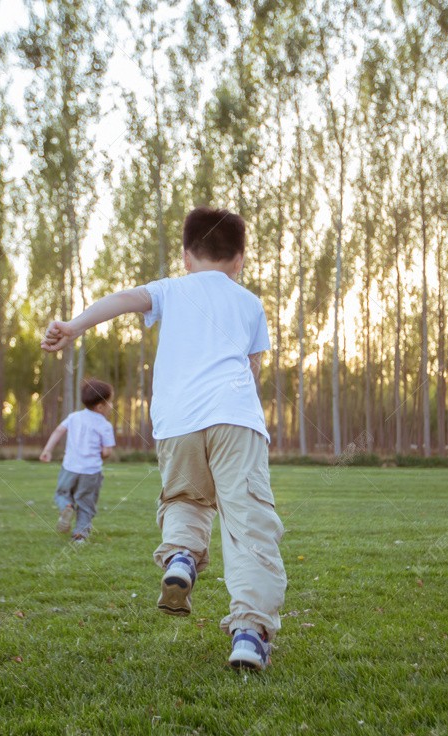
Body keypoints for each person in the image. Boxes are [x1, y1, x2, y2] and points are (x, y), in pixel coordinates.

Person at [40, 207, 285, 671]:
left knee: (184, 497)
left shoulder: (171, 289)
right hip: (235, 417)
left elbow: (123, 299)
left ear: (187, 256)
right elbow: (252, 369)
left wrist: (73, 327)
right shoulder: (250, 303)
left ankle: (180, 556)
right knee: (248, 519)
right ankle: (250, 633)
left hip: (178, 422)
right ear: (240, 260)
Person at [39, 378, 116, 543]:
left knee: (62, 493)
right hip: (90, 472)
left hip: (69, 468)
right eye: (110, 402)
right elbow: (107, 451)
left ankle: (66, 507)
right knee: (86, 504)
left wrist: (47, 450)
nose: (112, 406)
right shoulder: (105, 425)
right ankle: (80, 536)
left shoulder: (74, 417)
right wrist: (101, 454)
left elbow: (59, 430)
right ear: (100, 406)